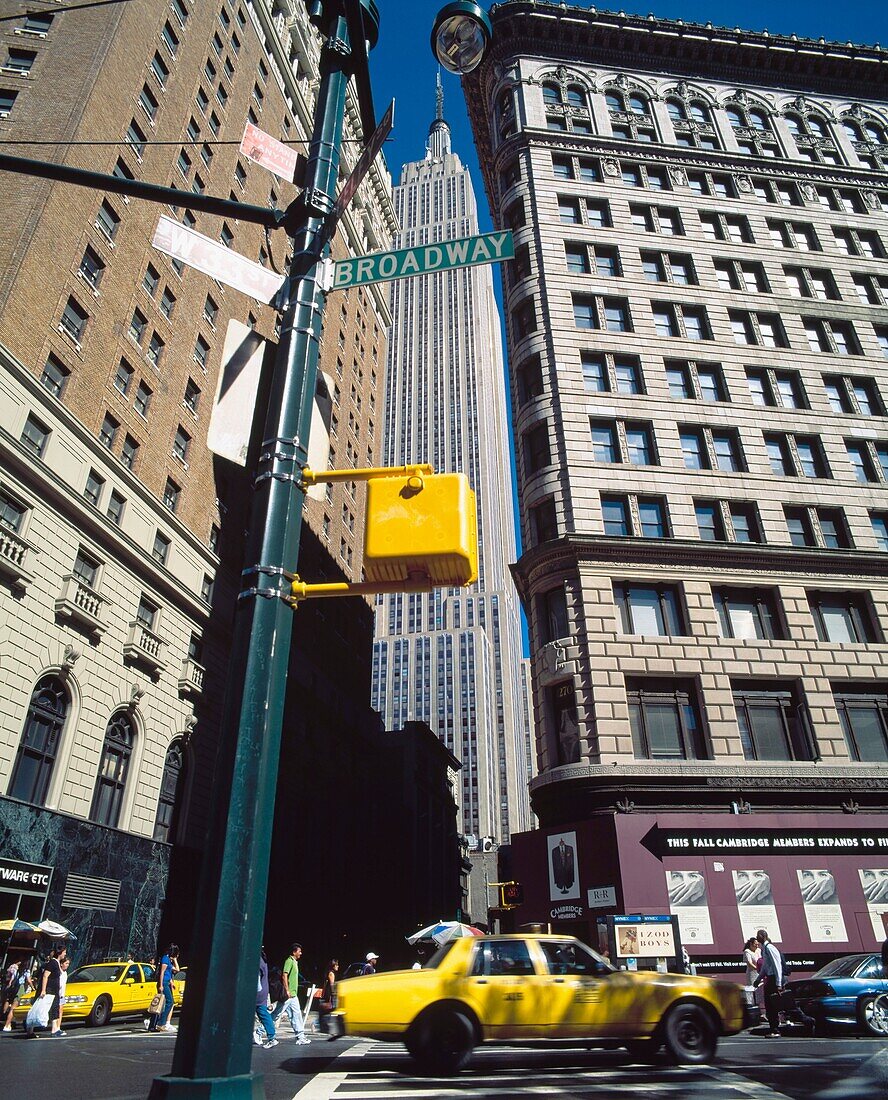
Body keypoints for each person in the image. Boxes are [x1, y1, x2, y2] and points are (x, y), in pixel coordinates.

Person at [272, 942, 310, 1044]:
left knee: (296, 1015)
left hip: (293, 995)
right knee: (276, 1014)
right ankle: (260, 1031)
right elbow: (285, 975)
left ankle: (300, 1037)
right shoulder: (289, 961)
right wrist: (287, 990)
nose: (301, 953)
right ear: (294, 952)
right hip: (288, 995)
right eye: (299, 951)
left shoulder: (295, 962)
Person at [30, 943, 66, 1038]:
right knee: (40, 1009)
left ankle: (54, 1029)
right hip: (49, 990)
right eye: (64, 952)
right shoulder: (52, 963)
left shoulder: (56, 963)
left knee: (53, 1009)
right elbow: (45, 975)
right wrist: (43, 990)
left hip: (54, 990)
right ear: (60, 953)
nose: (65, 954)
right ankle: (30, 1029)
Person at [753, 929, 784, 1037]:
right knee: (769, 1006)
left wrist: (778, 983)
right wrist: (758, 979)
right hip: (770, 979)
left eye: (758, 936)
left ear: (763, 936)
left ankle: (776, 1030)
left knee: (775, 1005)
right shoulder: (764, 949)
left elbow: (777, 966)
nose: (757, 938)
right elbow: (765, 967)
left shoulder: (770, 948)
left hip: (774, 979)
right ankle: (773, 1028)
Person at [151, 944, 179, 1032]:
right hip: (163, 983)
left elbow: (177, 970)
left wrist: (175, 960)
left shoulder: (169, 960)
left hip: (167, 982)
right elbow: (162, 972)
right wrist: (161, 985)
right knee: (169, 1002)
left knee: (167, 1003)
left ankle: (157, 1023)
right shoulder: (165, 959)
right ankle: (160, 1023)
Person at [255, 948, 278, 1049]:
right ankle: (271, 1037)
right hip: (263, 991)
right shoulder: (263, 960)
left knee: (263, 1014)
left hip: (258, 992)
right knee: (263, 1014)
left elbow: (257, 980)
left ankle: (271, 1037)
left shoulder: (258, 962)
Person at [2, 959, 31, 1032]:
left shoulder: (14, 968)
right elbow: (29, 980)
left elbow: (10, 979)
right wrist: (33, 988)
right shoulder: (26, 971)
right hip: (19, 989)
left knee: (8, 1002)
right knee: (13, 1008)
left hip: (12, 988)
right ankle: (7, 1024)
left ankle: (4, 1018)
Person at [318, 959, 339, 1036]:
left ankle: (327, 1027)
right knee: (330, 1009)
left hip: (328, 993)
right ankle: (317, 1023)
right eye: (336, 965)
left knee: (328, 1011)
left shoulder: (330, 972)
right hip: (329, 994)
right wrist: (334, 994)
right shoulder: (331, 973)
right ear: (333, 966)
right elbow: (332, 985)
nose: (338, 966)